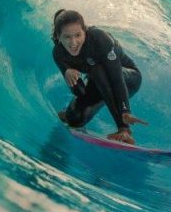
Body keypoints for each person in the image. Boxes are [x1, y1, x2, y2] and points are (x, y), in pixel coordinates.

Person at [51, 9, 147, 144]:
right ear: (58, 37)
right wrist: (68, 72)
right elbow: (79, 92)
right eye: (67, 37)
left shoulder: (100, 39)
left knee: (97, 70)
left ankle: (124, 131)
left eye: (78, 35)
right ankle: (68, 115)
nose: (73, 43)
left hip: (128, 78)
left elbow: (116, 79)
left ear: (85, 31)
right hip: (97, 82)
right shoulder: (59, 54)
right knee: (75, 119)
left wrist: (124, 115)